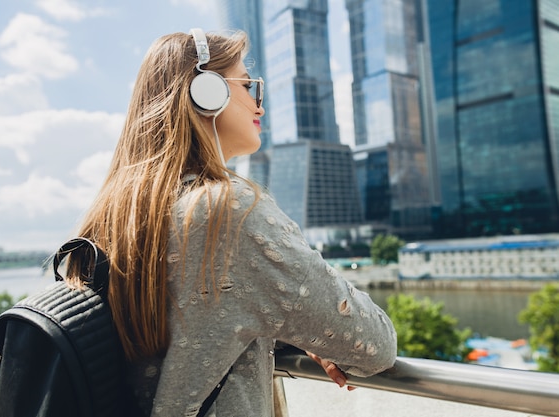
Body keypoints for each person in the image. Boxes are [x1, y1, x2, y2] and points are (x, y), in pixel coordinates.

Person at [70, 28, 397, 416]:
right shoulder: (227, 211)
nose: (259, 106)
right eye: (248, 86)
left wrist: (292, 330)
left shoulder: (114, 214)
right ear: (206, 93)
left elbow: (186, 331)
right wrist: (319, 327)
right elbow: (376, 344)